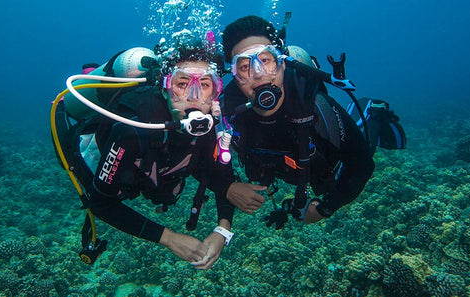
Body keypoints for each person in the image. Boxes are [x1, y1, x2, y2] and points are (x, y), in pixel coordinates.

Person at [51, 30, 235, 269]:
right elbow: (100, 203)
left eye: (205, 84)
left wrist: (223, 230)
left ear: (216, 92)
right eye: (181, 84)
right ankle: (90, 83)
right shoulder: (131, 130)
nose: (194, 96)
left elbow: (223, 177)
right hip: (89, 160)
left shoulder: (210, 127)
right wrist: (170, 239)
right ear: (164, 88)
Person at [221, 15, 406, 229]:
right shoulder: (226, 112)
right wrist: (228, 186)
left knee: (364, 141)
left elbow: (362, 165)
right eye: (244, 66)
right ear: (233, 75)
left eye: (266, 60)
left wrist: (326, 207)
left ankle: (372, 112)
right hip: (284, 168)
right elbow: (202, 157)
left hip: (325, 164)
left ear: (282, 63)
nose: (259, 74)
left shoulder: (317, 106)